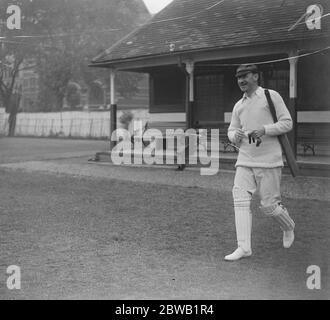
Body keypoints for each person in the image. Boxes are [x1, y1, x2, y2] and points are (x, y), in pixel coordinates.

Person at [224, 64, 295, 261]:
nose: (241, 81)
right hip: (245, 158)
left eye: (245, 76)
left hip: (269, 159)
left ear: (256, 76)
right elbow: (231, 129)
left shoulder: (271, 96)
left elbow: (287, 122)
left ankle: (288, 227)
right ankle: (244, 247)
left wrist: (265, 129)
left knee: (269, 206)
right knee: (239, 197)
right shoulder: (239, 105)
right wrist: (234, 135)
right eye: (238, 78)